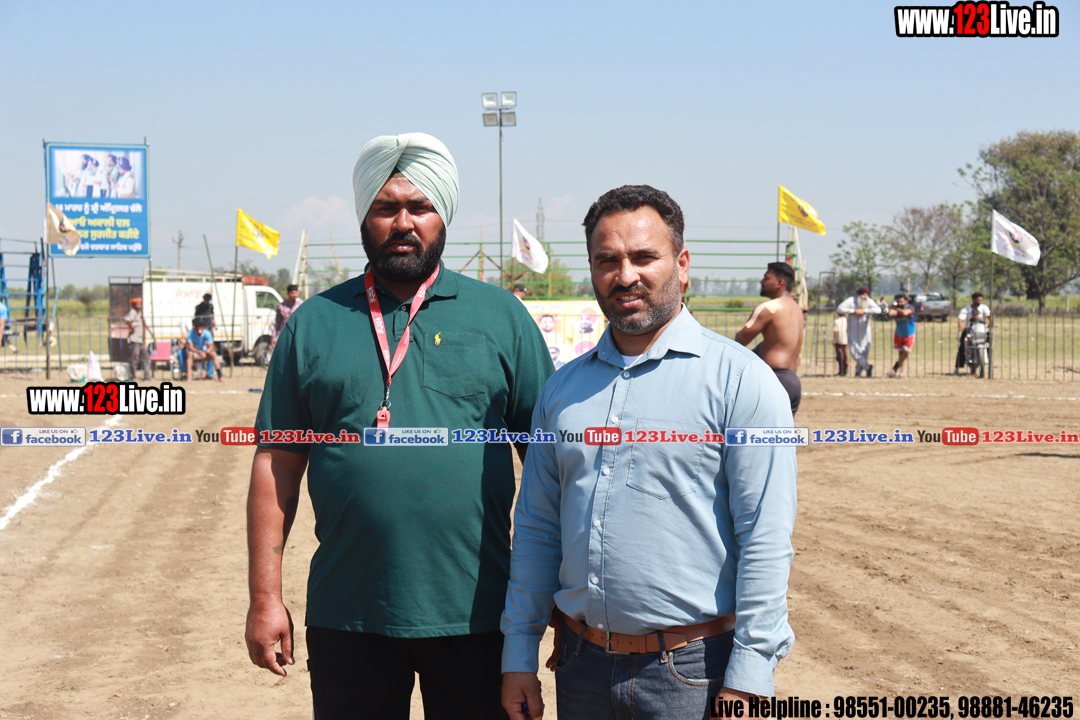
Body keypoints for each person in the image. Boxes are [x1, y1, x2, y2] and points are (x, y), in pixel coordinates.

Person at [246, 132, 554, 720]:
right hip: (349, 614)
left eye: (420, 207)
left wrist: (557, 589)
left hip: (478, 612)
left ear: (444, 216)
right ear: (364, 217)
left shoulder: (501, 318)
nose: (404, 222)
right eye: (386, 208)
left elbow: (549, 464)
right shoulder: (313, 323)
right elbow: (276, 465)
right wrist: (265, 597)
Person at [501, 185, 797, 720]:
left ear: (681, 264)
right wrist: (518, 654)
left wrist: (750, 676)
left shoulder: (741, 382)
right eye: (607, 261)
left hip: (694, 675)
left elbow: (765, 537)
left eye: (644, 257)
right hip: (580, 668)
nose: (625, 275)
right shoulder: (561, 392)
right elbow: (539, 527)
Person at [734, 262, 805, 416]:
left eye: (767, 278)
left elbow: (740, 340)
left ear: (780, 283)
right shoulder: (796, 309)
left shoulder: (770, 308)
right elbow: (779, 342)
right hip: (793, 381)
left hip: (774, 379)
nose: (762, 282)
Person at [836, 286, 880, 377]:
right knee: (854, 351)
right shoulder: (851, 301)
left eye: (866, 295)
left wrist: (864, 311)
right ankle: (867, 367)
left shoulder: (869, 301)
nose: (864, 297)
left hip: (865, 330)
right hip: (853, 329)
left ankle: (858, 371)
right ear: (859, 295)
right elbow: (839, 308)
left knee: (864, 351)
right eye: (863, 295)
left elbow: (878, 310)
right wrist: (853, 311)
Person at [951, 292, 991, 375]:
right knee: (962, 345)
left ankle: (989, 361)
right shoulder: (966, 309)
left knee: (990, 342)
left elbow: (989, 317)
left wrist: (991, 323)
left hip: (981, 330)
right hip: (970, 331)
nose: (980, 302)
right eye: (978, 300)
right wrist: (961, 327)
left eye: (981, 300)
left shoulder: (984, 308)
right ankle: (958, 367)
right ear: (973, 300)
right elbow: (960, 319)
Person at [123, 298, 153, 381]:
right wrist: (132, 327)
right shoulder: (132, 312)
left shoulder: (139, 313)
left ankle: (147, 376)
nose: (139, 306)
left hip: (140, 340)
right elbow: (127, 320)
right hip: (134, 339)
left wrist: (148, 330)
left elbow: (143, 322)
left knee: (146, 357)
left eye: (140, 304)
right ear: (134, 305)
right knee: (134, 358)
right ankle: (133, 377)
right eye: (138, 304)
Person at [886, 293, 915, 378]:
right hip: (898, 333)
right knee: (900, 353)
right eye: (898, 301)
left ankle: (896, 366)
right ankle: (903, 372)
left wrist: (896, 309)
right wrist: (897, 310)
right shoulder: (896, 308)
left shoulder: (910, 307)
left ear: (906, 301)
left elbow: (906, 313)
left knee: (906, 352)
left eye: (901, 301)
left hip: (909, 333)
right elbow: (891, 313)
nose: (900, 303)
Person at [271, 284, 303, 349]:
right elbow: (277, 322)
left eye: (296, 293)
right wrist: (274, 337)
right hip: (283, 334)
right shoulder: (281, 306)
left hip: (296, 334)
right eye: (292, 293)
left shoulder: (301, 305)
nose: (294, 295)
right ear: (288, 293)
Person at [833, 311, 849, 376]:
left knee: (840, 356)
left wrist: (834, 340)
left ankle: (842, 370)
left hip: (839, 340)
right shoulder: (847, 321)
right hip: (846, 340)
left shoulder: (837, 321)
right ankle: (845, 369)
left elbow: (836, 331)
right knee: (845, 356)